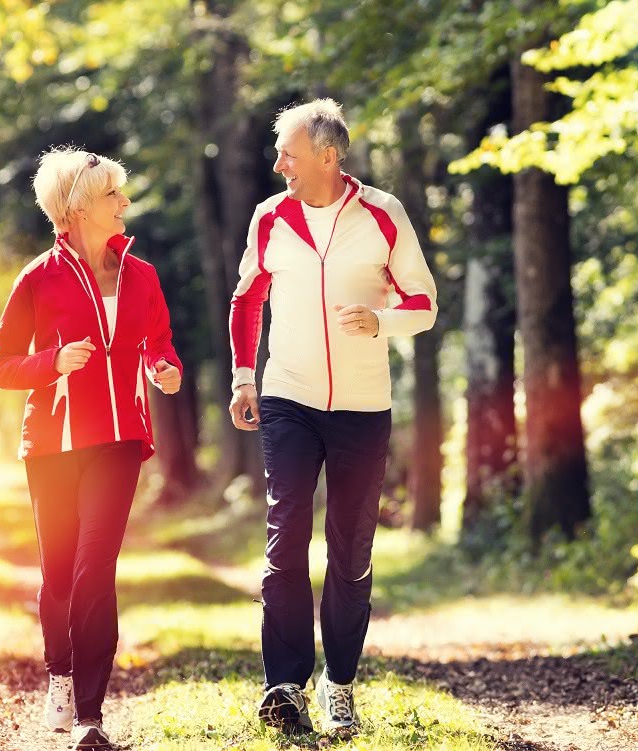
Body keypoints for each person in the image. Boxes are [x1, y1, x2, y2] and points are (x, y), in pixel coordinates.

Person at [228, 99, 438, 736]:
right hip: (287, 396)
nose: (278, 164)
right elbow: (246, 299)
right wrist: (244, 378)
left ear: (328, 155)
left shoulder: (383, 215)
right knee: (286, 534)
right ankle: (284, 683)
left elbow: (424, 303)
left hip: (361, 406)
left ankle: (339, 684)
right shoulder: (272, 218)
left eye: (289, 153)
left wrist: (383, 321)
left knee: (350, 552)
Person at [0, 147, 183, 750]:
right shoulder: (38, 279)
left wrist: (164, 368)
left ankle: (91, 715)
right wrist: (52, 362)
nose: (124, 203)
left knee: (96, 567)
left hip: (121, 439)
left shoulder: (141, 274)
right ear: (75, 209)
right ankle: (61, 674)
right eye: (111, 195)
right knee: (61, 571)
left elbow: (160, 343)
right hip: (52, 443)